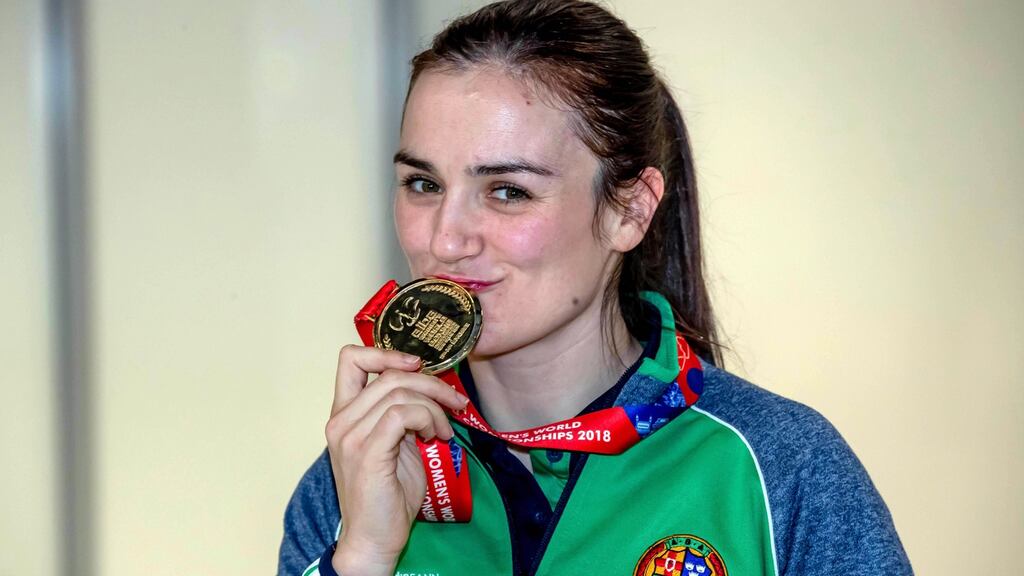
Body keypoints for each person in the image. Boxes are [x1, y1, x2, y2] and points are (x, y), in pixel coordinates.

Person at [278, 1, 913, 575]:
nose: (444, 240)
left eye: (508, 191)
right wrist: (363, 555)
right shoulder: (356, 478)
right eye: (423, 184)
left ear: (629, 211)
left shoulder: (778, 467)